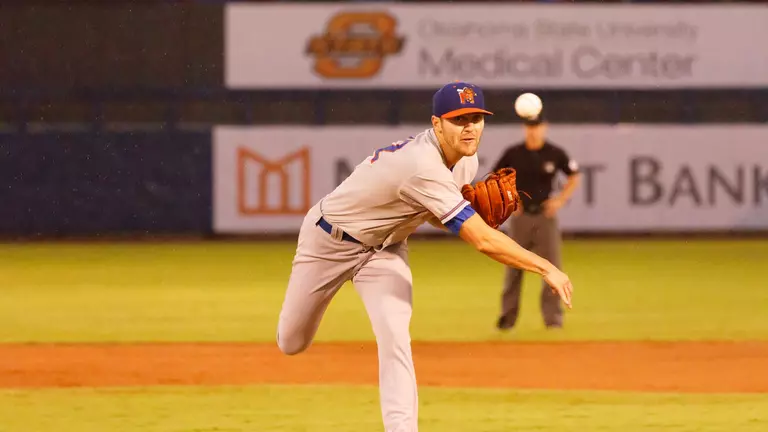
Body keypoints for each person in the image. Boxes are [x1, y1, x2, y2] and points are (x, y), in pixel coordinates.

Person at [276, 81, 574, 432]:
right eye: (459, 119)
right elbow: (481, 240)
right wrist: (545, 266)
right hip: (329, 242)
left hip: (384, 251)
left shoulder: (465, 159)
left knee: (395, 335)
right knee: (292, 342)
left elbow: (431, 213)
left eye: (476, 118)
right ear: (437, 124)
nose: (470, 127)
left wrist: (462, 211)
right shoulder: (421, 165)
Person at [492, 109, 581, 331]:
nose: (534, 131)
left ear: (544, 127)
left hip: (544, 217)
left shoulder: (554, 152)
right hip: (521, 219)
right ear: (525, 128)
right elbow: (496, 178)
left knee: (551, 269)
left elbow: (574, 175)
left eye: (537, 126)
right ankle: (506, 321)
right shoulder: (514, 153)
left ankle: (553, 321)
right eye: (530, 127)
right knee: (513, 269)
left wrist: (560, 200)